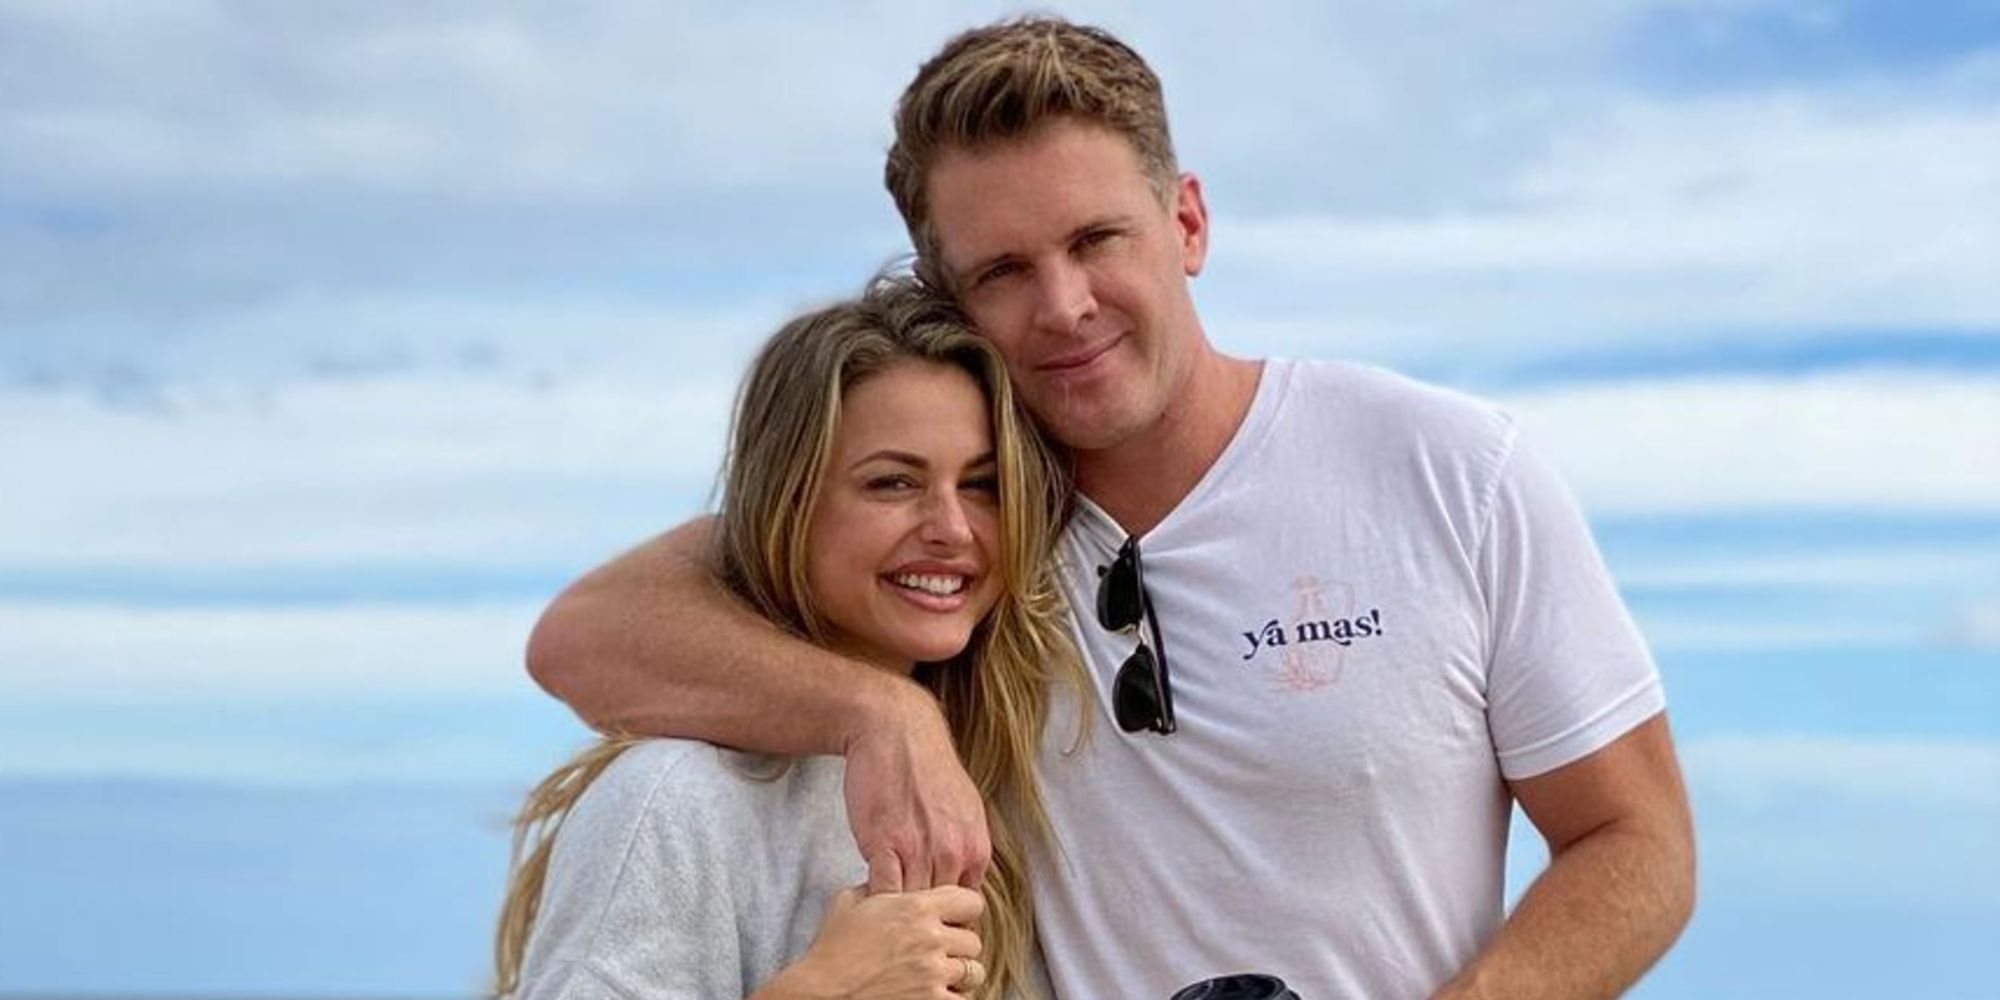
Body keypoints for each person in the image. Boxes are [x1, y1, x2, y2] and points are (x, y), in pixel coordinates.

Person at [528, 16, 1696, 1000]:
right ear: (947, 294)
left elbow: (1635, 842)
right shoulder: (967, 517)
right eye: (1002, 271)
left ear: (1184, 223)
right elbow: (581, 635)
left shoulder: (1448, 468)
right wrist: (882, 713)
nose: (1064, 305)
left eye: (1097, 241)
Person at [493, 273, 1084, 999]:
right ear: (791, 502)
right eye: (892, 483)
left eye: (982, 485)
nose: (951, 528)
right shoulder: (676, 801)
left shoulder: (1017, 771)